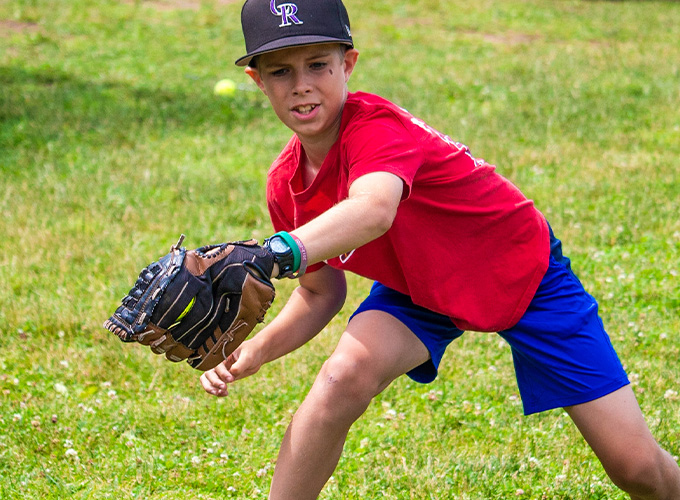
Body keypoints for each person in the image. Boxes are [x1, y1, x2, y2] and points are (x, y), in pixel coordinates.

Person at [200, 0, 680, 498]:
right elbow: (321, 292)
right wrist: (253, 350)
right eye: (281, 71)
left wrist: (276, 253)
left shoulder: (377, 128)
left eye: (318, 64)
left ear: (348, 64)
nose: (301, 84)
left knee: (638, 469)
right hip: (422, 286)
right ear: (258, 81)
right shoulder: (286, 183)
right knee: (343, 376)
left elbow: (372, 209)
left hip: (521, 273)